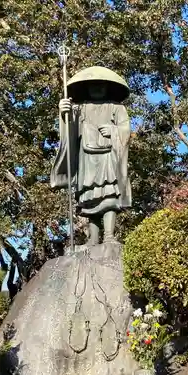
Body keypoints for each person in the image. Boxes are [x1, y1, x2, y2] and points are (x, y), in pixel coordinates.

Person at [50, 66, 132, 246]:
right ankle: (92, 238)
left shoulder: (116, 108)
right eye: (93, 85)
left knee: (109, 194)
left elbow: (126, 130)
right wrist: (64, 112)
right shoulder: (79, 108)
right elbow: (69, 130)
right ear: (86, 87)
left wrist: (113, 130)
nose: (97, 88)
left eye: (101, 85)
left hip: (108, 157)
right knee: (88, 196)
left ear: (108, 87)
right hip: (86, 158)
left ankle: (109, 235)